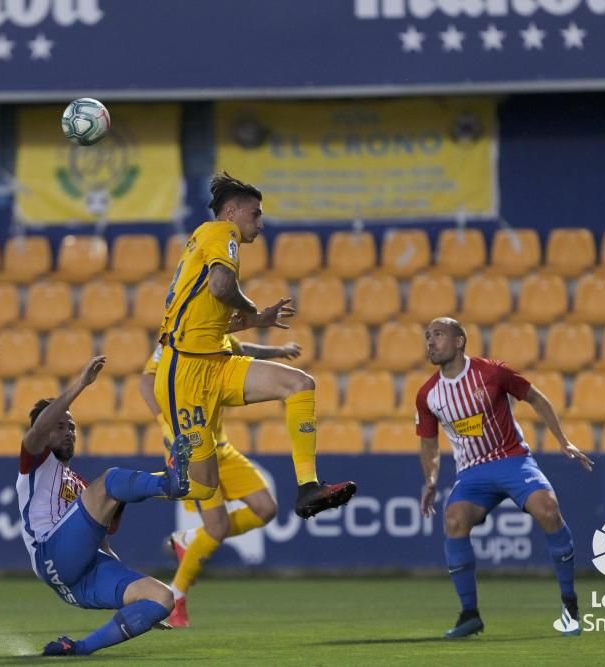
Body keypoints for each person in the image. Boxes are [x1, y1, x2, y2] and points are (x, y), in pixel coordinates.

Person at [153, 172, 356, 519]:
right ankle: (117, 487)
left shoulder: (207, 237)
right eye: (256, 214)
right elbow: (220, 287)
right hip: (185, 374)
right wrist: (251, 309)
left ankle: (308, 487)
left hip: (216, 361)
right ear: (231, 213)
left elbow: (212, 306)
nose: (261, 222)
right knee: (201, 486)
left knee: (300, 384)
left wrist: (254, 320)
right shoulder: (222, 232)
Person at [415, 317, 594, 638]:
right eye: (427, 336)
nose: (430, 341)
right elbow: (428, 443)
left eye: (438, 335)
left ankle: (570, 606)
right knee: (453, 519)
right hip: (471, 472)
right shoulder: (428, 394)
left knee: (548, 511)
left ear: (459, 341)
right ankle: (469, 615)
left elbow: (537, 398)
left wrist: (563, 440)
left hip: (512, 460)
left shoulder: (492, 372)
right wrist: (430, 479)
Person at [19, 355, 190, 657]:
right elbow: (37, 431)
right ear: (44, 432)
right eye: (60, 426)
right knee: (111, 480)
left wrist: (139, 603)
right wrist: (81, 384)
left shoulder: (79, 484)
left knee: (162, 598)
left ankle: (78, 649)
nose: (69, 431)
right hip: (51, 555)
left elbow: (101, 538)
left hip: (75, 580)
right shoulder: (35, 461)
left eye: (72, 426)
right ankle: (170, 484)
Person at [140, 334, 300, 627]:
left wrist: (278, 350)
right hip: (192, 448)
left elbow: (244, 349)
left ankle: (189, 540)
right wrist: (163, 420)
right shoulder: (177, 339)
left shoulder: (217, 334)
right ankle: (175, 599)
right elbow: (146, 380)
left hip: (221, 447)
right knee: (217, 526)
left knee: (265, 509)